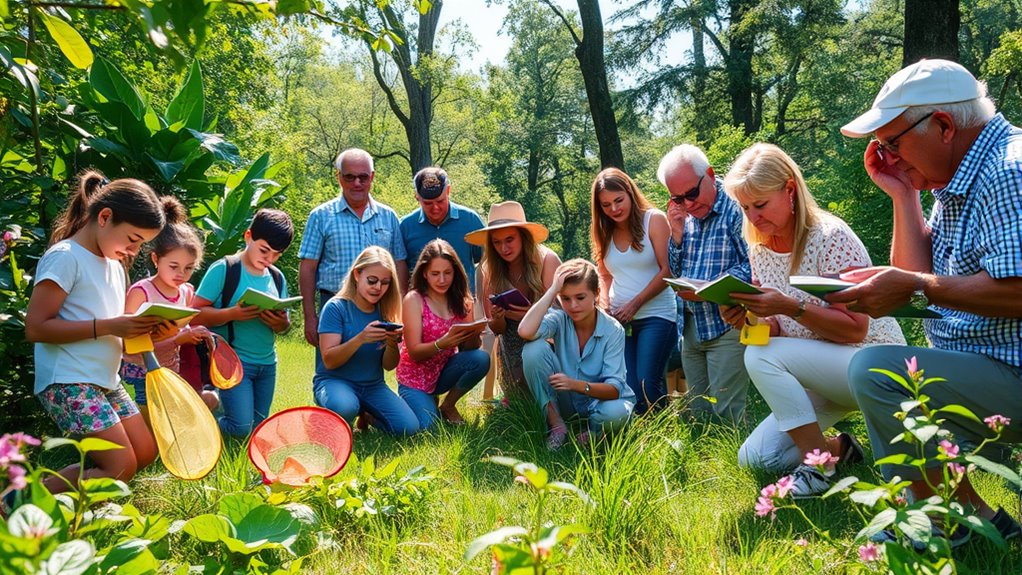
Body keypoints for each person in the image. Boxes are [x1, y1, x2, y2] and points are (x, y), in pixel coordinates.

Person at [831, 59, 1022, 540]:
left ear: (941, 125)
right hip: (986, 367)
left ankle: (955, 522)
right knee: (891, 372)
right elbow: (923, 270)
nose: (885, 155)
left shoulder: (1009, 170)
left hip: (1012, 372)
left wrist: (915, 286)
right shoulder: (959, 175)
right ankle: (963, 519)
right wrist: (902, 195)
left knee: (875, 372)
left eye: (892, 143)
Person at [718, 143, 905, 497]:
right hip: (819, 372)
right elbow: (772, 332)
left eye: (760, 205)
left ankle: (817, 471)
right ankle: (841, 451)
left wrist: (792, 307)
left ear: (790, 189)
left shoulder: (831, 237)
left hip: (872, 360)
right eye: (745, 208)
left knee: (761, 356)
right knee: (756, 458)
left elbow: (857, 328)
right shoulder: (759, 248)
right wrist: (744, 320)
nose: (753, 217)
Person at [24, 170, 173, 493]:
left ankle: (76, 499)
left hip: (104, 378)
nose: (134, 251)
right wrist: (111, 326)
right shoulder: (65, 258)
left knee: (144, 452)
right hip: (68, 379)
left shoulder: (114, 266)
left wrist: (150, 331)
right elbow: (36, 327)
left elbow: (114, 333)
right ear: (104, 217)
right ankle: (16, 504)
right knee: (119, 465)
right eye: (133, 239)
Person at [659, 145, 752, 422]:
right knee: (697, 414)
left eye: (691, 194)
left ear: (710, 175)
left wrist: (709, 288)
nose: (687, 204)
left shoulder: (738, 208)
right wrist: (675, 235)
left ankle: (745, 463)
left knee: (729, 413)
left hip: (726, 324)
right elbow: (675, 271)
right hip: (691, 327)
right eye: (677, 198)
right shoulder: (684, 216)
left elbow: (754, 264)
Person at [192, 209, 295, 437]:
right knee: (241, 428)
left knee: (258, 431)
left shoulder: (277, 277)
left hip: (268, 363)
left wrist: (280, 323)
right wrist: (232, 314)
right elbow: (194, 313)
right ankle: (202, 423)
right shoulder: (225, 269)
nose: (268, 259)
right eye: (264, 250)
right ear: (248, 236)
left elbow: (284, 326)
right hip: (234, 361)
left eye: (276, 255)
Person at [121, 198, 217, 428]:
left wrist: (198, 333)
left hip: (171, 368)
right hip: (142, 372)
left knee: (206, 403)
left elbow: (181, 328)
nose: (181, 274)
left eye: (189, 268)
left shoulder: (186, 291)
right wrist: (177, 339)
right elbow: (128, 345)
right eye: (173, 266)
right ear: (156, 259)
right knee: (155, 426)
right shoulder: (141, 292)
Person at [518, 259, 635, 450]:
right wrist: (552, 290)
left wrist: (575, 385)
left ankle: (593, 433)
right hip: (567, 400)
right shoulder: (559, 319)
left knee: (616, 413)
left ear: (596, 294)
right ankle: (557, 426)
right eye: (565, 298)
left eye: (580, 298)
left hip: (600, 402)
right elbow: (525, 331)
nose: (573, 306)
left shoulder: (613, 330)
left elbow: (614, 389)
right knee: (533, 349)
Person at [299, 148, 407, 347]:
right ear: (339, 177)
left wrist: (398, 311)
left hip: (377, 306)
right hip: (334, 305)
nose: (357, 183)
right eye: (350, 177)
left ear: (372, 177)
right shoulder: (321, 216)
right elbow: (308, 268)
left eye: (363, 177)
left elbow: (399, 264)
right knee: (330, 367)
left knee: (372, 367)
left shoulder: (388, 216)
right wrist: (310, 316)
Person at [590, 168, 676, 414]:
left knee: (647, 384)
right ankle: (636, 438)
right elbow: (604, 274)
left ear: (630, 193)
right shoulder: (603, 230)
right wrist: (605, 305)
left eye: (619, 200)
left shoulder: (654, 219)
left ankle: (663, 432)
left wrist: (635, 304)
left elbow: (668, 270)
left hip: (657, 316)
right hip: (620, 322)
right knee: (626, 386)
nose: (614, 209)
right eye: (606, 205)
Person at [315, 246, 419, 436]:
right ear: (357, 275)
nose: (378, 287)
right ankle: (336, 415)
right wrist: (361, 338)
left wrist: (391, 343)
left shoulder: (386, 311)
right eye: (372, 280)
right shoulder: (336, 307)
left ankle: (368, 414)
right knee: (345, 406)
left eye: (385, 282)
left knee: (409, 428)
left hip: (373, 385)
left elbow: (389, 366)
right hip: (335, 381)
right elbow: (329, 360)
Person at [465, 201, 561, 396]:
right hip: (510, 344)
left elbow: (564, 317)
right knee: (520, 400)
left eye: (510, 239)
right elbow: (495, 329)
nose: (504, 248)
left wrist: (533, 316)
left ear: (523, 237)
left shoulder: (547, 260)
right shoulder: (487, 271)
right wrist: (498, 317)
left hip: (548, 340)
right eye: (497, 242)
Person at [397, 239, 490, 429]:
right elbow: (414, 352)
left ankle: (448, 405)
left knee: (481, 358)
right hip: (414, 379)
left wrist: (473, 334)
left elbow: (470, 350)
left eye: (447, 273)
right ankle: (375, 416)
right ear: (424, 273)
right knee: (428, 428)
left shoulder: (462, 300)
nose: (442, 280)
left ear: (455, 272)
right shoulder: (414, 300)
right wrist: (443, 343)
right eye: (435, 274)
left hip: (443, 372)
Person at [400, 167, 486, 294]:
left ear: (448, 191)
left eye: (440, 201)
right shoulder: (405, 226)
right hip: (421, 308)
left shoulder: (470, 220)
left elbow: (487, 261)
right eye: (428, 203)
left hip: (464, 304)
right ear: (417, 197)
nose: (435, 208)